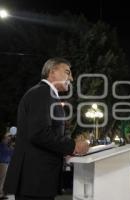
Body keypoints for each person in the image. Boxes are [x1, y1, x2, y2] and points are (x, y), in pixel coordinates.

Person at [4, 58, 90, 200]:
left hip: (38, 181)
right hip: (34, 181)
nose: (72, 78)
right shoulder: (42, 93)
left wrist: (65, 151)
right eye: (67, 72)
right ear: (52, 72)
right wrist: (72, 145)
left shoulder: (46, 95)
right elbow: (39, 133)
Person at [0, 132, 14, 200]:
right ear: (5, 137)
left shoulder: (9, 145)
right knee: (2, 179)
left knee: (4, 179)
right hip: (3, 163)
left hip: (7, 163)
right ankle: (1, 194)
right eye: (9, 136)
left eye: (10, 136)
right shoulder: (3, 144)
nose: (10, 138)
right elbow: (7, 152)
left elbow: (11, 153)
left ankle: (2, 193)